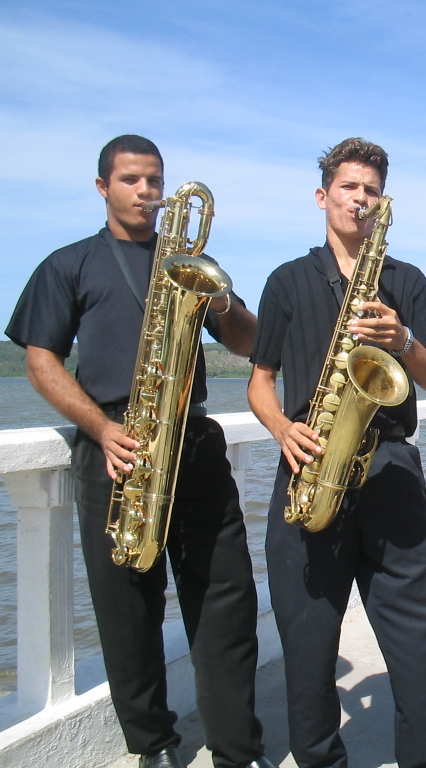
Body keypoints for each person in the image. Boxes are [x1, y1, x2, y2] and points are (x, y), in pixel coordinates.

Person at [5, 135, 274, 768]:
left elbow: (248, 342)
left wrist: (223, 298)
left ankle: (238, 751)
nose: (146, 192)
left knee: (226, 600)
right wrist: (100, 429)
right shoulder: (67, 264)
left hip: (194, 441)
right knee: (127, 610)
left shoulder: (187, 262)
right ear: (103, 187)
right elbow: (40, 362)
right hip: (117, 445)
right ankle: (151, 746)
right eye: (130, 180)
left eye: (154, 180)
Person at [247, 137, 426, 768]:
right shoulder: (286, 281)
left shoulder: (406, 281)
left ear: (382, 202)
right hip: (310, 466)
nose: (359, 200)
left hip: (389, 467)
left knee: (425, 650)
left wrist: (404, 338)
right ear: (324, 196)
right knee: (308, 664)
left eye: (370, 190)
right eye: (348, 188)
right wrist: (283, 428)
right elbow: (260, 380)